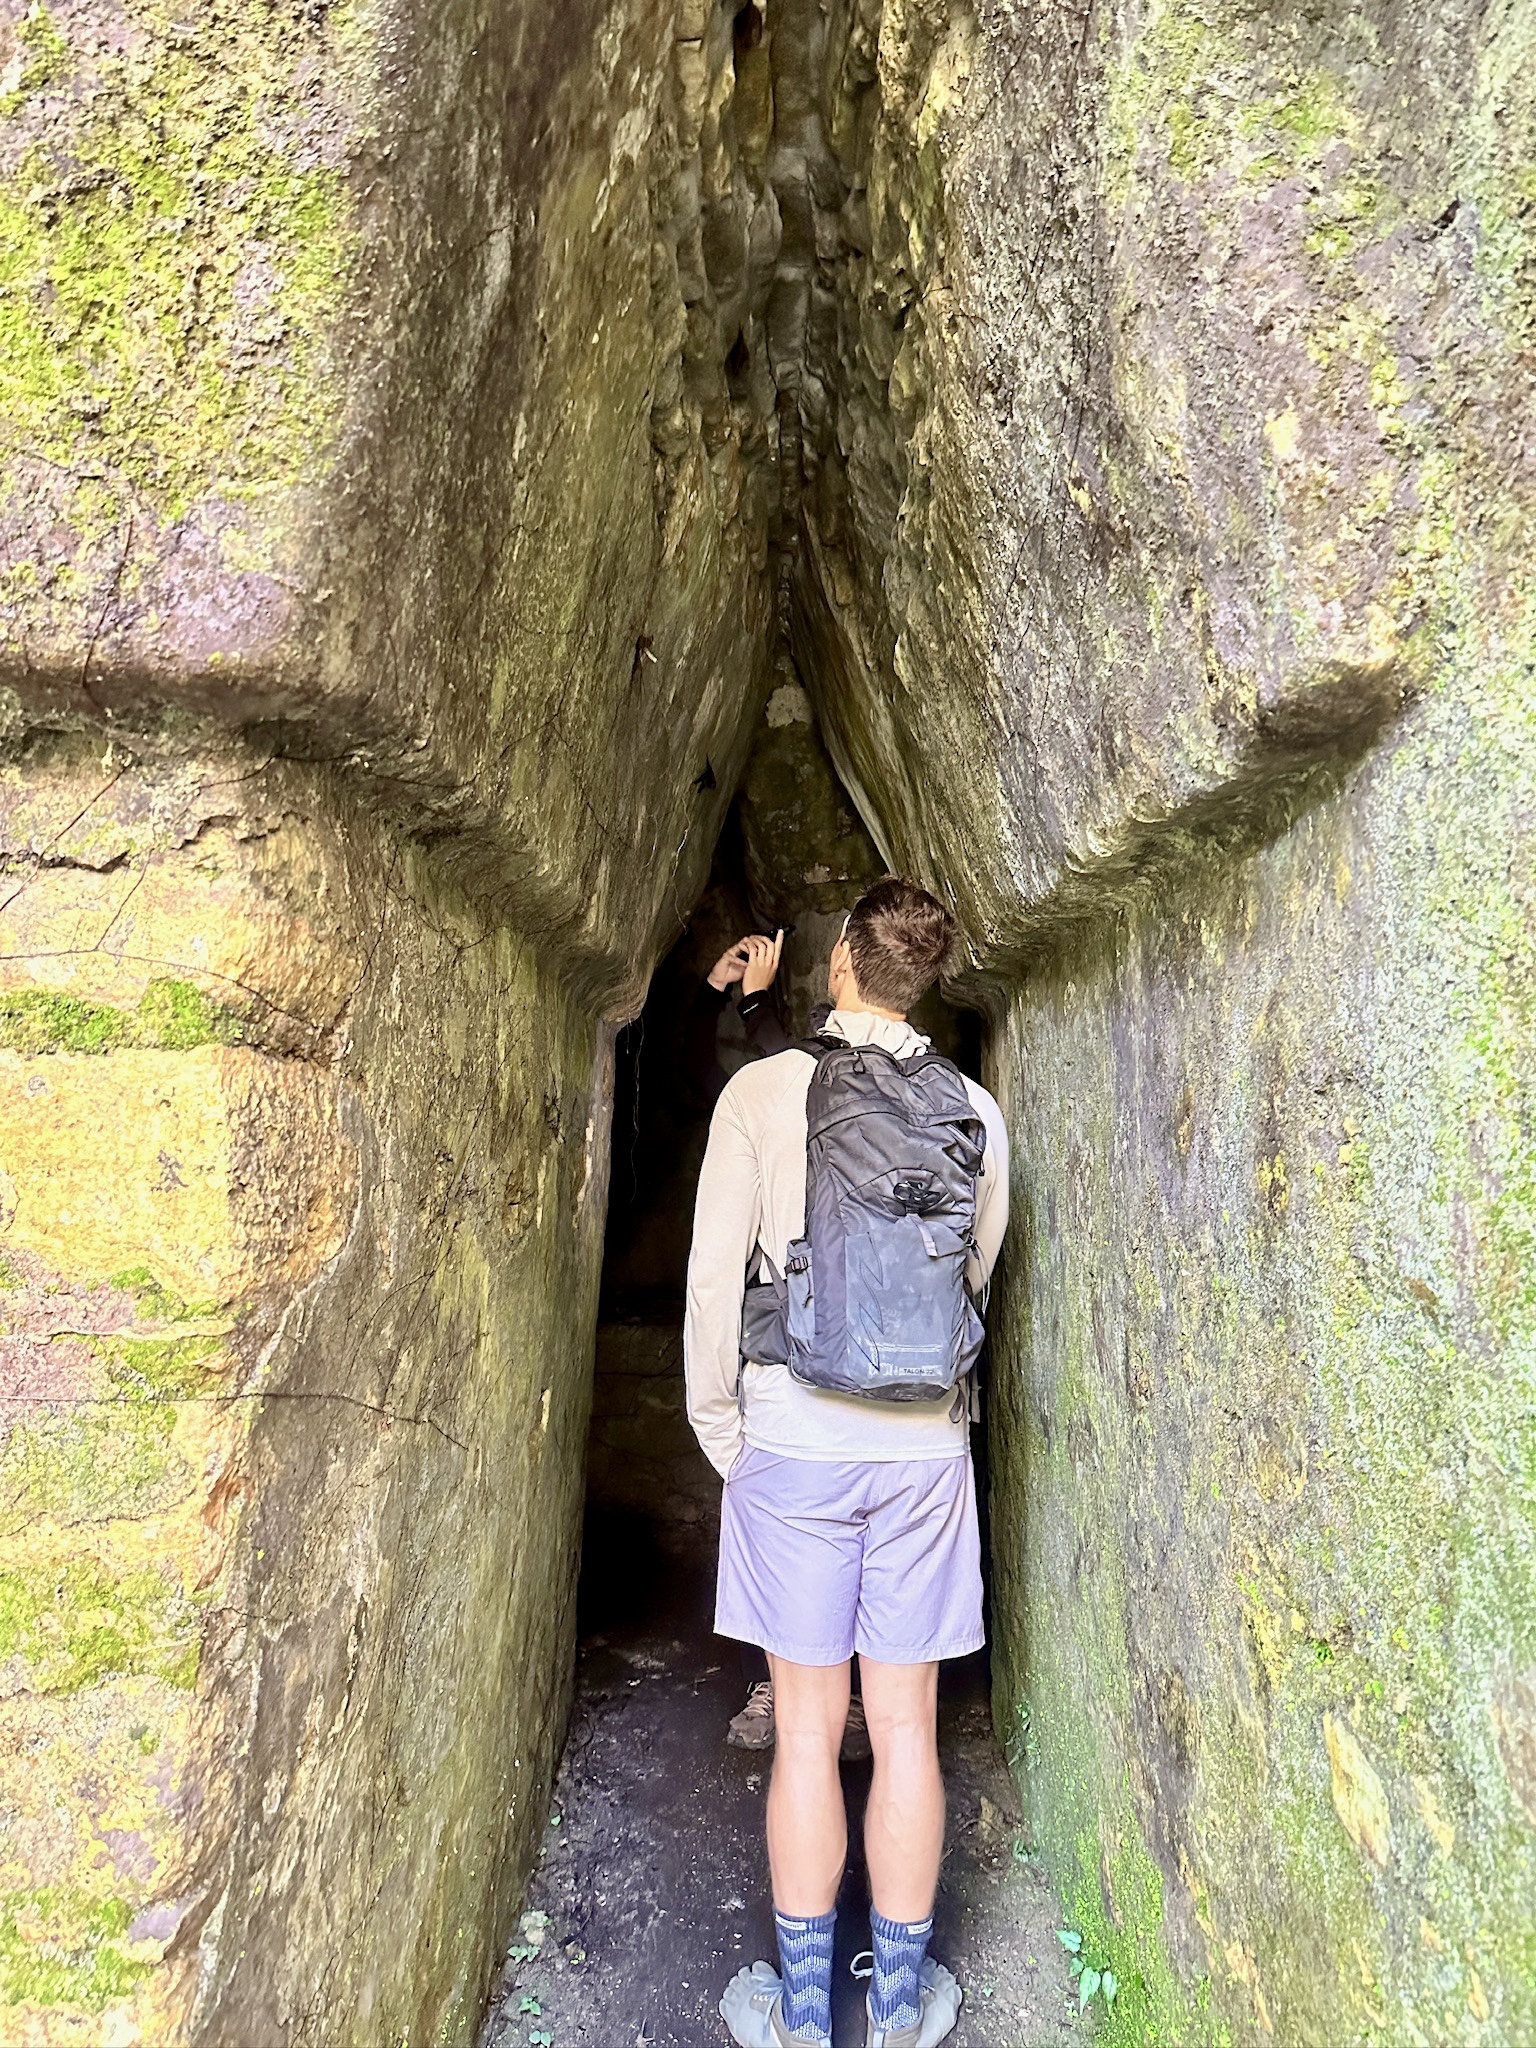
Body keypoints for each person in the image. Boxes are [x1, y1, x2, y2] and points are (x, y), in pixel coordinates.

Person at [685, 879, 1009, 2048]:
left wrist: (729, 1433)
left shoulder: (763, 1092)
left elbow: (717, 1282)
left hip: (796, 1442)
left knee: (812, 1729)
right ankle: (903, 1995)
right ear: (925, 982)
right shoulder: (974, 1108)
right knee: (910, 1730)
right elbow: (970, 1279)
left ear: (835, 965)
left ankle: (805, 2010)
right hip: (923, 1451)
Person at [696, 927, 871, 1763]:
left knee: (793, 1514)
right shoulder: (943, 1094)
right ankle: (842, 1691)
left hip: (798, 1360)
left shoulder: (806, 1074)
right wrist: (726, 995)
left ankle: (806, 1690)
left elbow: (770, 1091)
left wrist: (749, 999)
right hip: (878, 1362)